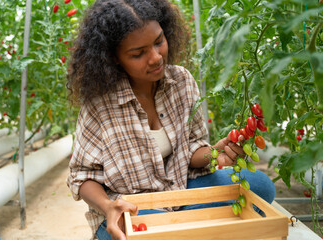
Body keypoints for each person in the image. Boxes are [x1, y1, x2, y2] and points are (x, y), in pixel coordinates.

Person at [66, 1, 276, 240]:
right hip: (132, 207)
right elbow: (82, 175)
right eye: (138, 53)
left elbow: (192, 150)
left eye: (159, 42)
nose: (156, 58)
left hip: (181, 193)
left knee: (259, 186)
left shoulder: (182, 82)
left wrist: (215, 153)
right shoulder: (100, 103)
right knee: (152, 230)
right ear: (114, 58)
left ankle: (182, 230)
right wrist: (107, 206)